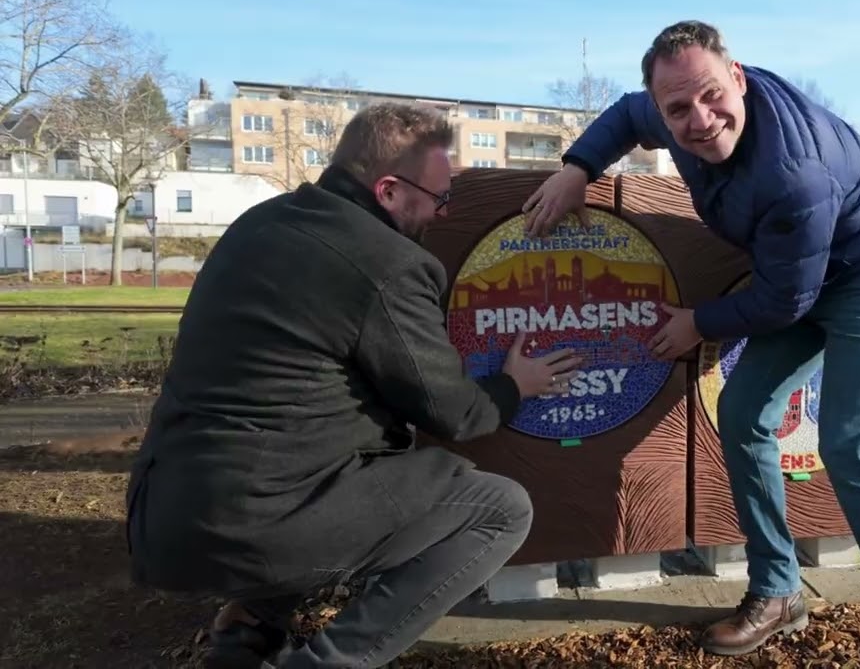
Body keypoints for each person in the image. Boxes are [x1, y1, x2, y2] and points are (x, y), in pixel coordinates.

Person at [522, 20, 860, 667]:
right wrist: (577, 168)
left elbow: (785, 302)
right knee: (745, 412)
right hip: (801, 269)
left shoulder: (794, 173)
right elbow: (624, 114)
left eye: (711, 97)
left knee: (853, 448)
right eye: (678, 109)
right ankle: (779, 590)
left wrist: (697, 323)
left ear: (739, 78)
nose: (699, 120)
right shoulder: (673, 104)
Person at [125, 102, 582, 669]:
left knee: (319, 462)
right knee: (499, 509)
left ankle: (250, 627)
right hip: (259, 520)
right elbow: (457, 413)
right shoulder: (386, 262)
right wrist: (515, 384)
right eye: (439, 198)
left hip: (163, 516)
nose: (442, 215)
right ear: (388, 190)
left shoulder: (261, 223)